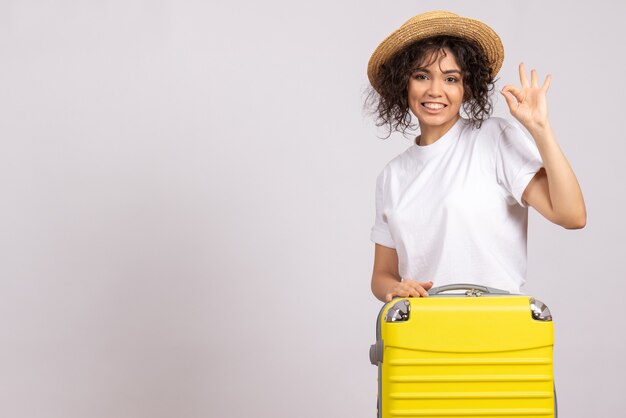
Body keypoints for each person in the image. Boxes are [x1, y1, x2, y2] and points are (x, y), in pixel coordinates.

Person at [365, 11, 586, 302]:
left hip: (494, 328)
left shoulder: (494, 138)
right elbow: (381, 275)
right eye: (421, 76)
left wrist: (540, 129)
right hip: (422, 332)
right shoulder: (392, 175)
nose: (435, 90)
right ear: (403, 84)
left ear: (466, 88)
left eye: (451, 78)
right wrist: (394, 288)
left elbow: (572, 215)